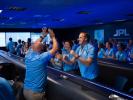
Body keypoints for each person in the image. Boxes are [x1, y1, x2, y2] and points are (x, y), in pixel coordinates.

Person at [23, 28, 58, 100]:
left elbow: (35, 44)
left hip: (25, 90)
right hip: (36, 94)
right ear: (41, 48)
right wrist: (53, 37)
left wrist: (42, 36)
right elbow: (55, 49)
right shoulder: (42, 57)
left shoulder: (28, 55)